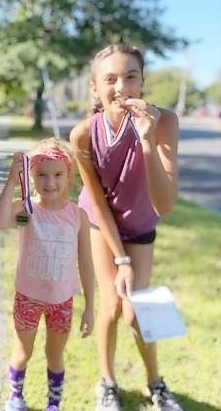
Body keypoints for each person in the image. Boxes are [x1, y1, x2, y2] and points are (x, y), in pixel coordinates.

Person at [70, 43, 181, 411]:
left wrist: (147, 140)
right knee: (113, 305)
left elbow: (165, 204)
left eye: (130, 76)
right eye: (110, 79)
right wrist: (121, 260)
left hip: (142, 223)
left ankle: (157, 383)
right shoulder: (83, 134)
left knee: (140, 309)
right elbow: (97, 202)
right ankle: (108, 383)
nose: (121, 87)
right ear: (95, 87)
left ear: (142, 82)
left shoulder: (164, 121)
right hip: (103, 226)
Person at [0, 138, 95, 411]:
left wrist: (90, 307)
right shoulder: (26, 210)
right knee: (23, 352)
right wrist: (11, 183)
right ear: (30, 176)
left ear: (69, 175)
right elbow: (1, 222)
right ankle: (15, 396)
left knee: (55, 355)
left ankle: (54, 403)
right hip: (28, 298)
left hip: (62, 301)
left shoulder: (78, 216)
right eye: (41, 175)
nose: (50, 182)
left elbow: (86, 262)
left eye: (58, 175)